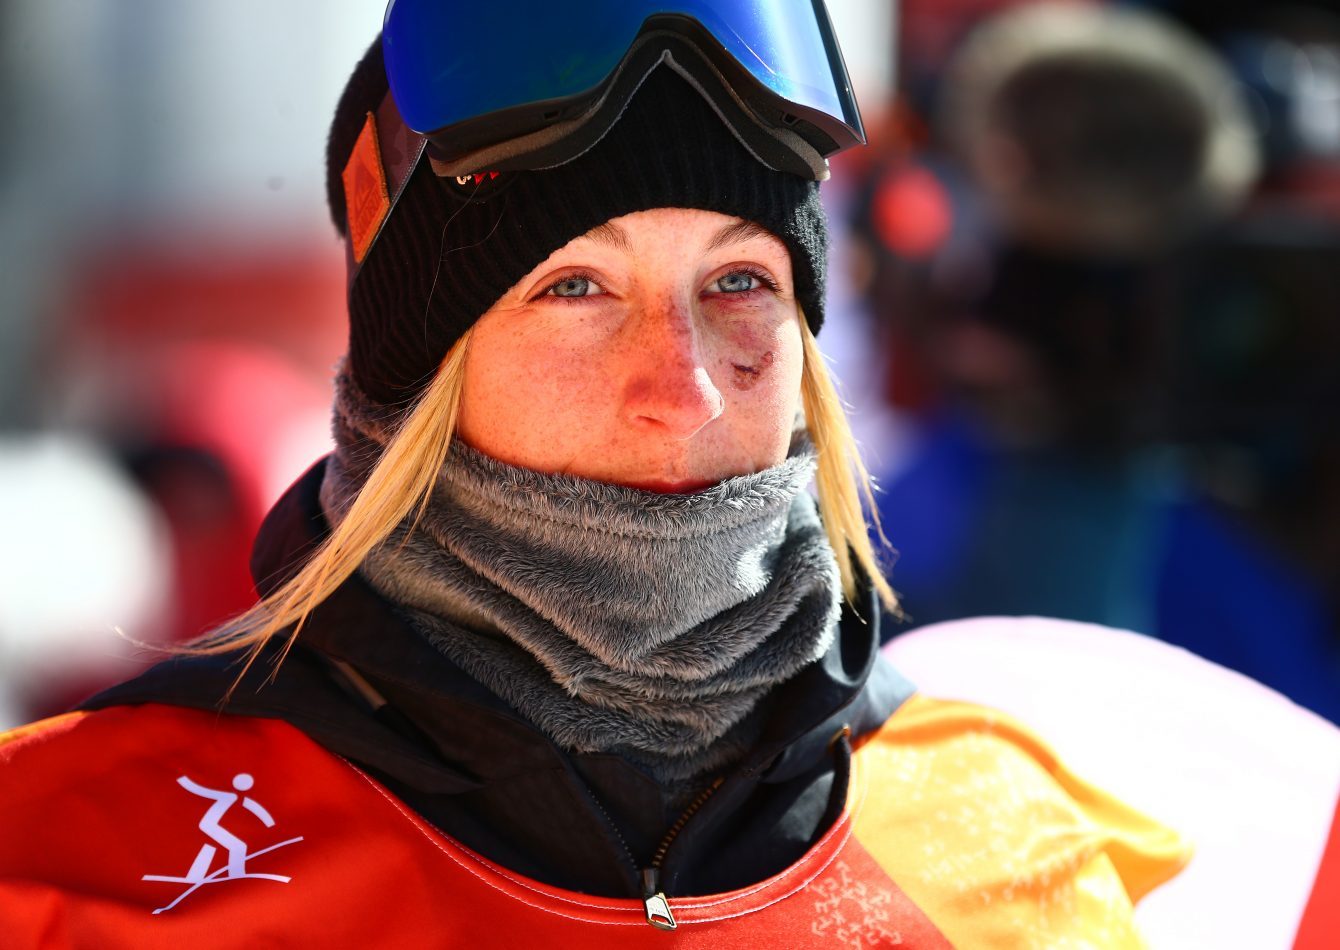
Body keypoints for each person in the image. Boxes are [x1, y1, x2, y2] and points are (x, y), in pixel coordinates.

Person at [0, 2, 1207, 945]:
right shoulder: (66, 858)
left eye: (740, 281)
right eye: (572, 288)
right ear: (417, 381)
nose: (680, 386)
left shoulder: (1016, 825)